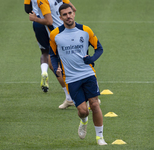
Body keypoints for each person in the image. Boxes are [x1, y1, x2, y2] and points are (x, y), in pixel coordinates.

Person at [49, 4, 107, 145]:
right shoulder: (55, 34)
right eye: (65, 14)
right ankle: (83, 120)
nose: (68, 16)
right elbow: (52, 54)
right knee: (83, 111)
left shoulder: (85, 30)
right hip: (71, 78)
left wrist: (91, 59)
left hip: (88, 74)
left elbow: (99, 48)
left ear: (74, 13)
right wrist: (56, 68)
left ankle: (100, 138)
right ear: (60, 17)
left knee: (94, 104)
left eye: (70, 13)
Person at [24, 0, 75, 109]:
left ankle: (90, 98)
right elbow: (73, 9)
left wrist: (35, 19)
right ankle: (70, 98)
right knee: (55, 64)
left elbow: (49, 21)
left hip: (60, 35)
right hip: (66, 31)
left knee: (64, 66)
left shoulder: (42, 1)